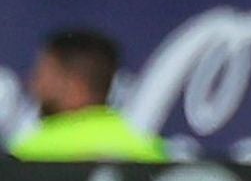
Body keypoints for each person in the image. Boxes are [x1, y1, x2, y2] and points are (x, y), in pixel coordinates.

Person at [9, 29, 167, 162]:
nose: (33, 85)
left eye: (42, 76)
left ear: (73, 86)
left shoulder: (30, 155)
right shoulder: (150, 151)